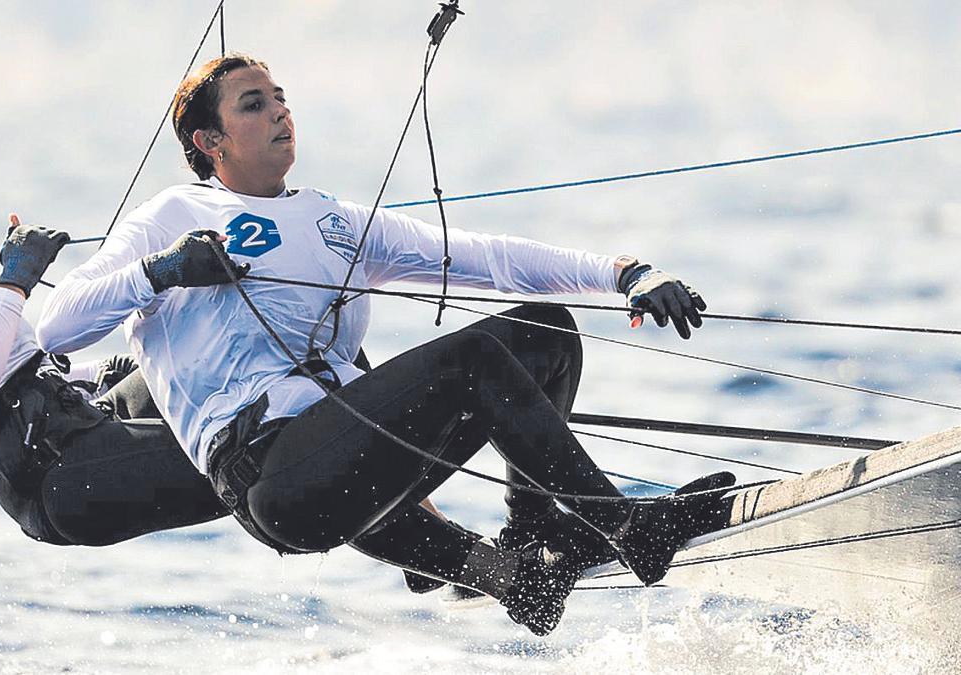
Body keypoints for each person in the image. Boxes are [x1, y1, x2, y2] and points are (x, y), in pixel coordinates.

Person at [37, 54, 733, 635]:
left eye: (280, 98)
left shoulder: (331, 218)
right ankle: (630, 528)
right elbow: (57, 326)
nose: (279, 112)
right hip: (270, 476)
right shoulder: (175, 214)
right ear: (209, 141)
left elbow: (485, 257)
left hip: (352, 451)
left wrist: (625, 274)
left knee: (545, 332)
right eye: (253, 104)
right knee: (471, 360)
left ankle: (534, 531)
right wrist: (160, 271)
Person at [0, 93, 507, 604]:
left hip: (77, 405)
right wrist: (14, 282)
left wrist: (115, 357)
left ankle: (425, 540)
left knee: (277, 358)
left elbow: (21, 356)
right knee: (275, 449)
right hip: (42, 468)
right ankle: (480, 568)